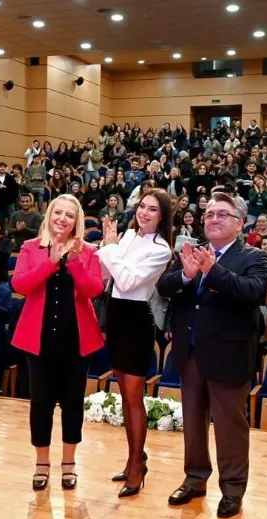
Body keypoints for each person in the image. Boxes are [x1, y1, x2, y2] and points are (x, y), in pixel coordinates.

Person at [157, 191, 267, 519]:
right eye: (209, 215)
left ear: (240, 224)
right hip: (190, 352)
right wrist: (187, 274)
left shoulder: (253, 257)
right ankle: (195, 478)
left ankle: (232, 488)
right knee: (192, 421)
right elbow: (165, 287)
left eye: (222, 214)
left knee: (229, 425)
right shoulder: (192, 253)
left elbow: (253, 294)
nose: (213, 219)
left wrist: (212, 272)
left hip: (229, 354)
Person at [11, 194, 104, 492]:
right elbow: (20, 285)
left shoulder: (88, 250)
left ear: (77, 221)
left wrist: (74, 262)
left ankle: (69, 464)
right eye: (58, 213)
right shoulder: (30, 247)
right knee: (40, 404)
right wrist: (51, 262)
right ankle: (41, 464)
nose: (62, 219)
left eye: (69, 215)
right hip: (38, 340)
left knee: (73, 404)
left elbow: (94, 290)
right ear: (49, 215)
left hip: (76, 341)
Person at [98, 190, 174, 498]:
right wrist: (108, 249)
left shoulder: (162, 250)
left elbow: (128, 281)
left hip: (136, 321)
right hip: (115, 315)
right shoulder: (128, 236)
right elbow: (109, 274)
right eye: (142, 206)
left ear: (162, 216)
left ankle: (136, 465)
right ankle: (134, 457)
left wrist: (109, 248)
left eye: (152, 209)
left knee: (133, 397)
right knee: (123, 395)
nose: (144, 212)